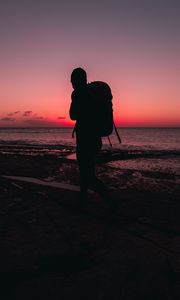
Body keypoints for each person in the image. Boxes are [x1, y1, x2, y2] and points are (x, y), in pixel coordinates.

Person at [69, 67, 117, 212]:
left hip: (85, 140)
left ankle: (111, 202)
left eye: (72, 80)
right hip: (95, 140)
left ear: (77, 80)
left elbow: (72, 115)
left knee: (87, 174)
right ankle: (82, 203)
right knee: (86, 173)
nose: (71, 83)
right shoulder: (93, 94)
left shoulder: (79, 93)